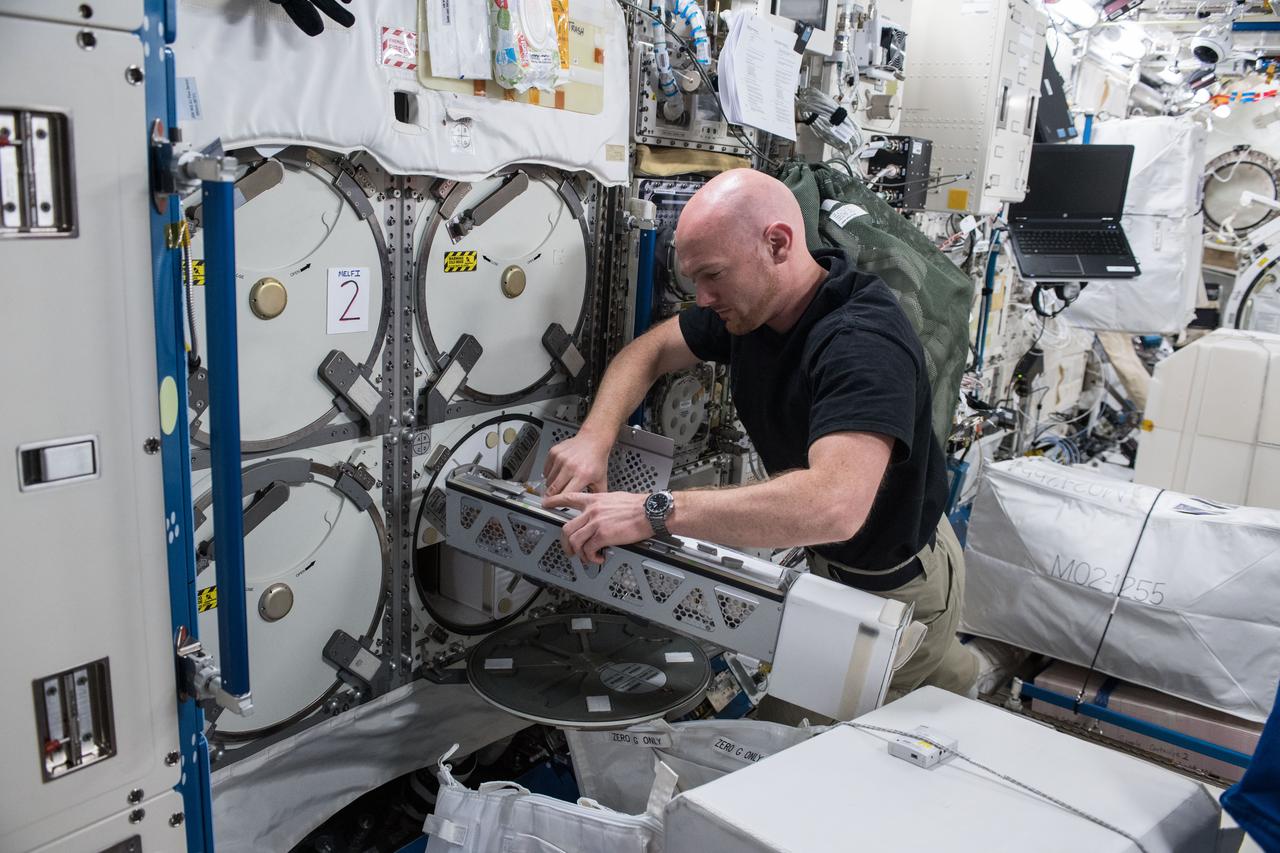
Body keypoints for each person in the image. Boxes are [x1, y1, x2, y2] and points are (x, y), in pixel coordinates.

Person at [541, 168, 977, 712]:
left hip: (897, 584)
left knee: (814, 745)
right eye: (694, 279)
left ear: (777, 244)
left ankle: (956, 679)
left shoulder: (861, 342)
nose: (701, 299)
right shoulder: (754, 309)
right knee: (943, 686)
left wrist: (653, 511)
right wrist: (594, 437)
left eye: (714, 276)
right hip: (843, 562)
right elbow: (650, 352)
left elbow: (834, 505)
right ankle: (963, 680)